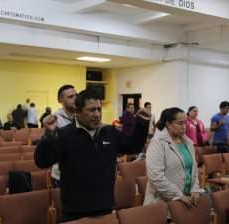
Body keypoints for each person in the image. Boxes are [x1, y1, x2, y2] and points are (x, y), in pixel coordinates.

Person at [35, 89, 147, 222]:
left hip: (105, 206)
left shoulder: (109, 132)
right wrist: (48, 135)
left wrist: (142, 123)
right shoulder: (64, 134)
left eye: (99, 109)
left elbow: (133, 146)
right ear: (78, 111)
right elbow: (42, 162)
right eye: (91, 110)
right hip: (75, 210)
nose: (97, 114)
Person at [144, 107, 203, 214]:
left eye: (185, 123)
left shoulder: (187, 142)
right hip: (163, 203)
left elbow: (193, 170)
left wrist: (195, 189)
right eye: (180, 123)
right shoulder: (158, 143)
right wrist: (179, 195)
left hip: (186, 200)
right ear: (168, 124)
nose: (184, 127)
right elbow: (155, 177)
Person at [51, 84, 77, 186]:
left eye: (76, 95)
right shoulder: (55, 120)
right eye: (71, 97)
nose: (75, 99)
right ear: (60, 100)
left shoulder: (82, 117)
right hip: (63, 175)